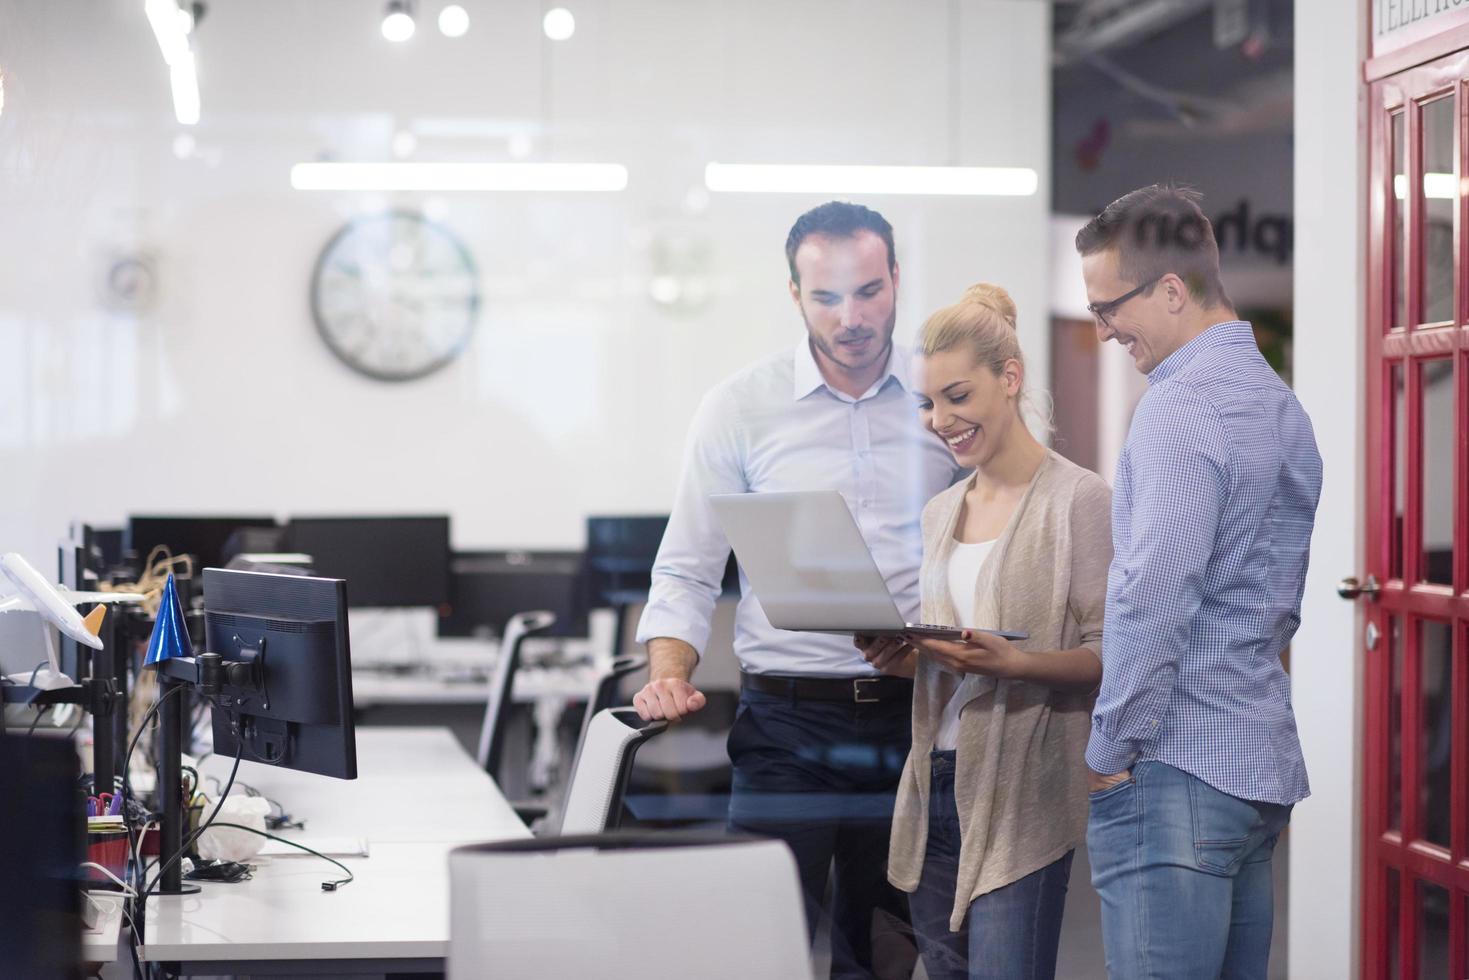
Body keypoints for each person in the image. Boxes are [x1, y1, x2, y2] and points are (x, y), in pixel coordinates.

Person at [632, 201, 961, 979]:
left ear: (896, 281)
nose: (851, 317)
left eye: (869, 291)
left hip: (912, 721)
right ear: (792, 295)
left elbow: (1004, 543)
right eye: (825, 297)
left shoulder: (946, 400)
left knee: (879, 949)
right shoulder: (740, 407)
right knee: (757, 941)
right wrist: (668, 674)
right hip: (785, 725)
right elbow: (686, 563)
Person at [1074, 184, 1321, 979]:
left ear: (1171, 290)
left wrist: (1108, 749)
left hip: (1177, 768)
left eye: (1110, 307)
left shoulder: (1179, 408)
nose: (1104, 330)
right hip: (1255, 765)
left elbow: (1152, 596)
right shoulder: (1281, 406)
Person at [857, 284, 1111, 980]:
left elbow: (1108, 652)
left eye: (957, 397)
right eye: (928, 403)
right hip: (934, 782)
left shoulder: (1078, 500)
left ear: (1009, 378)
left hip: (1021, 791)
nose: (940, 420)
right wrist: (905, 660)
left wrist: (1015, 665)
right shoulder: (940, 509)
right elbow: (959, 665)